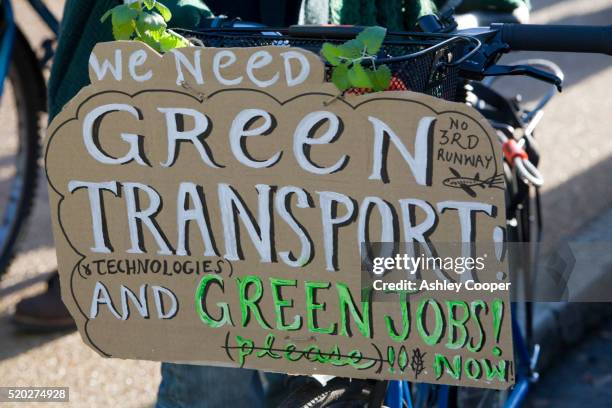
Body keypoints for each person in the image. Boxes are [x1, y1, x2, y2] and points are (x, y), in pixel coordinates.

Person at [13, 0, 529, 406]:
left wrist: (478, 16)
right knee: (208, 368)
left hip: (354, 88)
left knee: (368, 320)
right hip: (197, 111)